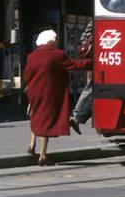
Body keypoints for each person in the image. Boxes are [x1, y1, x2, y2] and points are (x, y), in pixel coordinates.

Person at [23, 29, 92, 166]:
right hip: (49, 93)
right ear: (51, 41)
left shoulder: (32, 56)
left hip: (34, 91)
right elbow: (74, 65)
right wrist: (93, 63)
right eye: (55, 40)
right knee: (45, 122)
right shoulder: (57, 55)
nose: (56, 42)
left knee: (36, 115)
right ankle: (43, 156)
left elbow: (26, 75)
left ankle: (31, 144)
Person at [69, 21, 94, 135]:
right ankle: (77, 116)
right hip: (99, 56)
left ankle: (77, 117)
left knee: (91, 88)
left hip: (99, 56)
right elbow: (85, 37)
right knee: (92, 88)